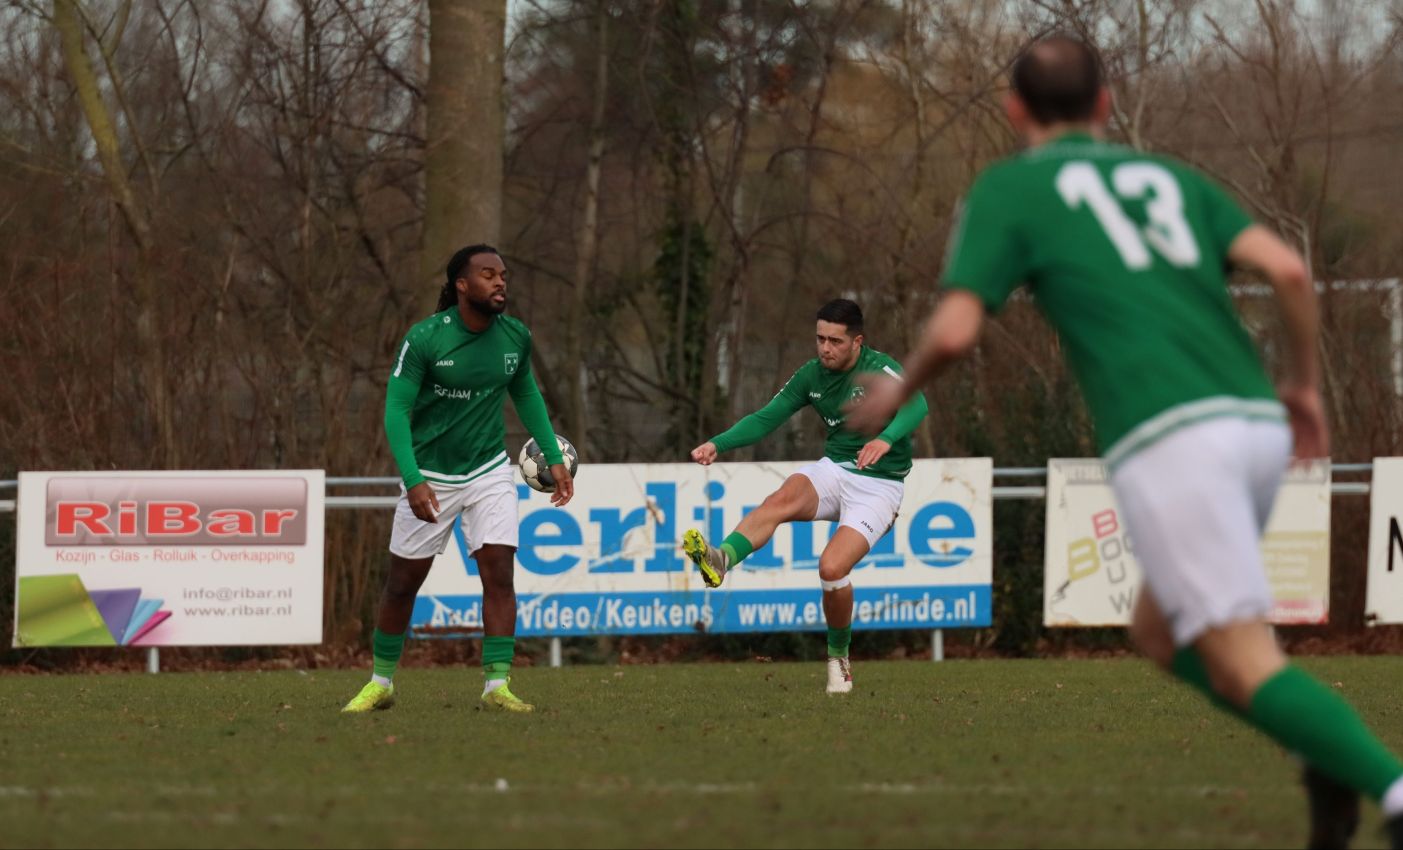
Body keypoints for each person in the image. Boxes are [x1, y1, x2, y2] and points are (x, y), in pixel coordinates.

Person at [848, 34, 1403, 849]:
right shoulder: (1168, 178)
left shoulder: (1012, 188)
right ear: (1105, 105)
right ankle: (1320, 751)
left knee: (1242, 657)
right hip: (1253, 422)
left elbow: (958, 329)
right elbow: (1287, 271)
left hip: (1174, 438)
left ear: (1013, 109)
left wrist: (900, 388)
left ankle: (1388, 786)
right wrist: (1302, 387)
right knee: (1156, 631)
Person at [342, 244, 574, 715]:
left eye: (503, 274)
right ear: (462, 285)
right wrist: (412, 479)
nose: (500, 281)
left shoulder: (515, 337)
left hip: (488, 471)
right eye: (488, 274)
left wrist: (553, 457)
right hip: (429, 475)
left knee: (499, 574)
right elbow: (396, 410)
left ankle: (497, 685)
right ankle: (381, 682)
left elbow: (526, 394)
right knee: (402, 583)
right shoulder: (426, 338)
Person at [683, 298, 929, 694]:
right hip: (835, 469)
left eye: (835, 341)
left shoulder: (879, 369)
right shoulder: (811, 375)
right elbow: (767, 417)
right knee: (778, 501)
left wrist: (885, 439)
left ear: (857, 342)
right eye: (820, 339)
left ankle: (838, 657)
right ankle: (721, 559)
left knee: (831, 568)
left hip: (880, 485)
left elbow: (917, 405)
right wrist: (718, 443)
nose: (825, 348)